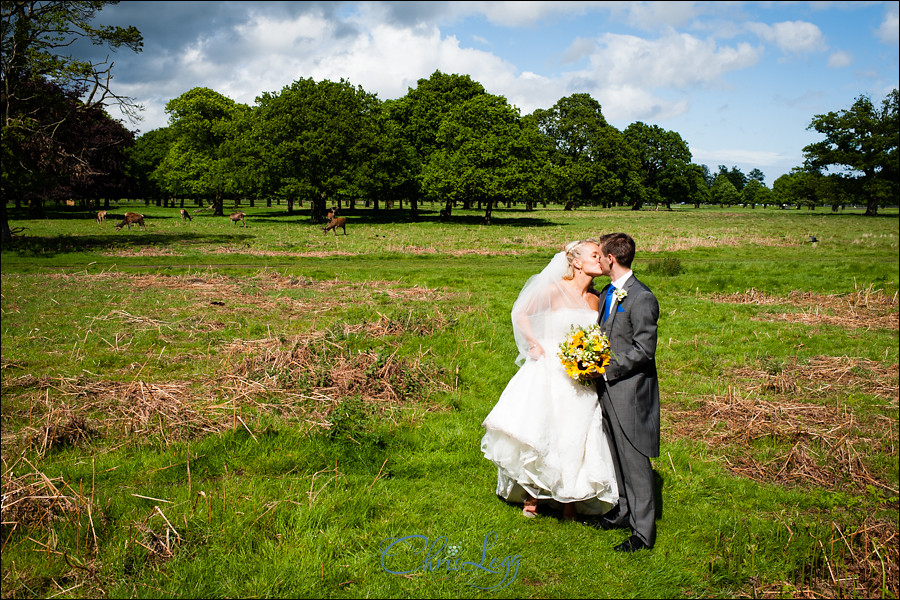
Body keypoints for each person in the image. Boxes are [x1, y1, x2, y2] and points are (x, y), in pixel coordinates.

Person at [481, 240, 618, 520]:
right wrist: (533, 344)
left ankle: (570, 500)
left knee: (577, 433)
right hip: (550, 369)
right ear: (577, 262)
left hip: (580, 375)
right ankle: (534, 493)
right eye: (594, 255)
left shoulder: (596, 298)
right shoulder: (554, 289)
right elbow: (520, 313)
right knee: (545, 428)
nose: (600, 258)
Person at [594, 232, 660, 552]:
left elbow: (644, 350)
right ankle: (623, 510)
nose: (600, 259)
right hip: (607, 389)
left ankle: (643, 533)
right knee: (617, 455)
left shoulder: (641, 297)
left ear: (611, 259)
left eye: (601, 255)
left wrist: (608, 369)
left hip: (630, 391)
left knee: (635, 461)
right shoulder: (609, 291)